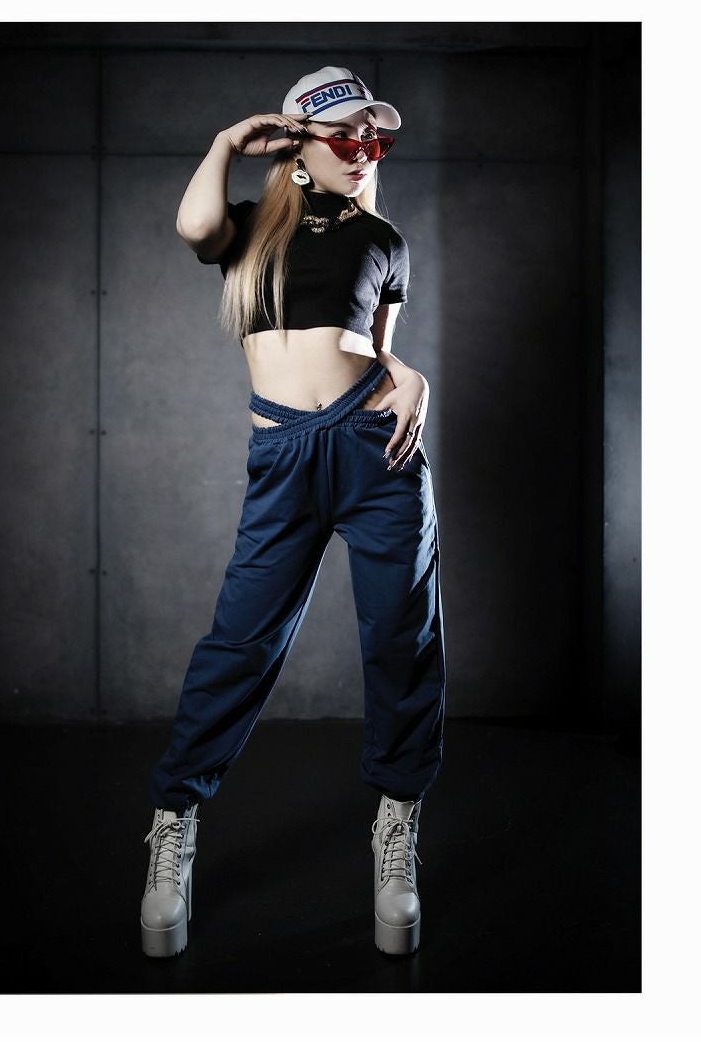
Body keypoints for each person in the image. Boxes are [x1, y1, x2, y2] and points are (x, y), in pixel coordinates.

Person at [140, 65, 446, 960]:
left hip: (376, 452)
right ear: (304, 144)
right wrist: (229, 143)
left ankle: (398, 824)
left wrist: (412, 377)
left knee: (402, 637)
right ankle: (173, 822)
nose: (365, 150)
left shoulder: (385, 238)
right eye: (347, 135)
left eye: (375, 138)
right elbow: (192, 225)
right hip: (283, 456)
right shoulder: (248, 230)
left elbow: (376, 351)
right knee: (240, 643)